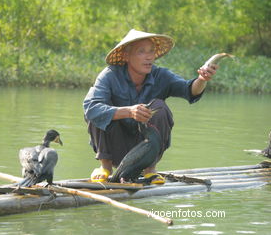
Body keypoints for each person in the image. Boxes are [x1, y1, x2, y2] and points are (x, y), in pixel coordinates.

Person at [83, 29, 218, 184]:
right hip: (115, 148)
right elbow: (91, 108)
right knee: (98, 110)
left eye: (151, 51)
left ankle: (150, 170)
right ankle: (105, 167)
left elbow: (189, 90)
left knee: (160, 107)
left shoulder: (161, 75)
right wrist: (128, 111)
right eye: (141, 52)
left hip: (146, 150)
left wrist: (202, 79)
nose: (149, 57)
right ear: (126, 56)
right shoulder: (109, 76)